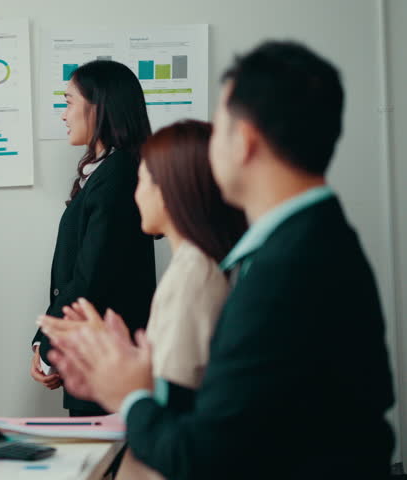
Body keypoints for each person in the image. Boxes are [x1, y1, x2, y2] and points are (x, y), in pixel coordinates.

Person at [42, 41, 395, 479]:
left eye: (220, 130)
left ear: (244, 142)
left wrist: (131, 396)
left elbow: (204, 454)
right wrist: (131, 374)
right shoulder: (308, 242)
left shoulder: (287, 268)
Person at [41, 120, 247, 479]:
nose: (136, 195)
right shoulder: (195, 267)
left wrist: (120, 378)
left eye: (144, 181)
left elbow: (176, 409)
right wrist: (109, 367)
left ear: (174, 189)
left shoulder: (194, 277)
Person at [29, 59, 157, 417]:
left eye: (69, 101)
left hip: (106, 354)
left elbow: (91, 276)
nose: (63, 115)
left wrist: (47, 341)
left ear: (98, 106)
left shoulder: (116, 176)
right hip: (96, 350)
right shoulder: (109, 171)